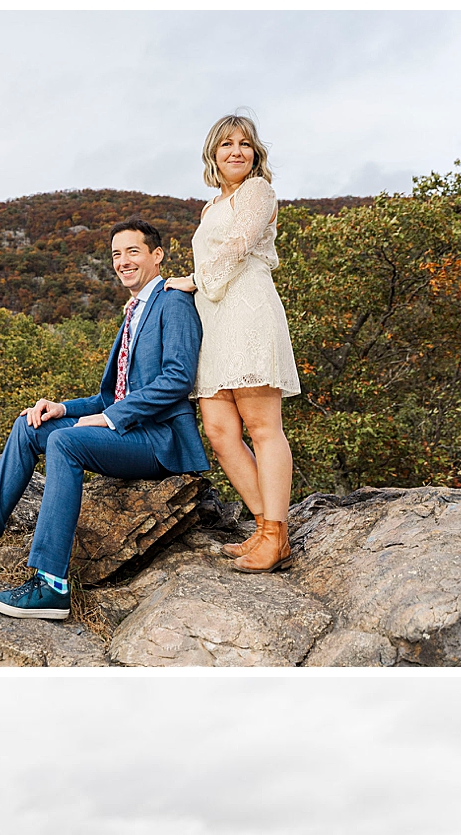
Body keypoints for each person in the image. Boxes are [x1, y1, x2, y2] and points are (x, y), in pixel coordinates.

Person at [0, 220, 207, 622]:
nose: (123, 262)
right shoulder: (133, 311)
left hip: (160, 440)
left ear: (157, 256)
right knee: (29, 426)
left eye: (133, 251)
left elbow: (176, 379)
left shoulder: (172, 302)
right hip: (128, 431)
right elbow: (110, 394)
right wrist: (63, 408)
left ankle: (52, 585)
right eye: (116, 254)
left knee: (64, 443)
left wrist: (108, 419)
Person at [166, 114, 304, 574]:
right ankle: (264, 526)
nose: (237, 151)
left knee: (262, 427)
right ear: (213, 153)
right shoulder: (210, 208)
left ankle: (274, 535)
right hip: (215, 317)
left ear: (255, 152)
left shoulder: (258, 192)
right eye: (227, 144)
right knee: (221, 432)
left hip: (247, 307)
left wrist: (191, 279)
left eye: (245, 143)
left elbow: (239, 245)